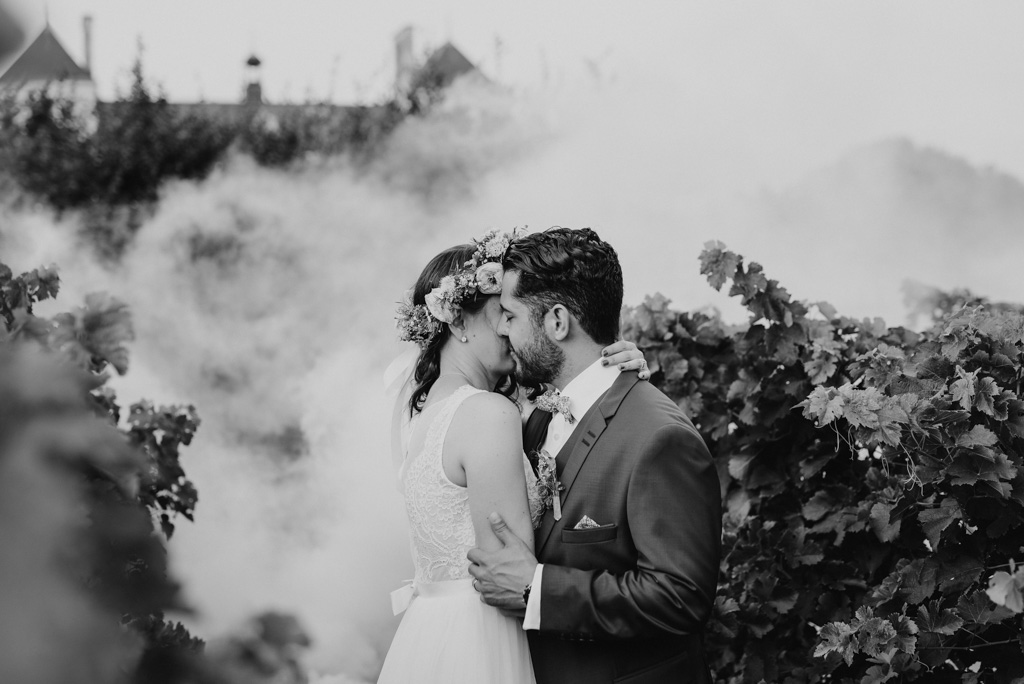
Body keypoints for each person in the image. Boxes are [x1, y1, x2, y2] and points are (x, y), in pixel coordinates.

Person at [377, 230, 649, 684]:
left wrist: (609, 377)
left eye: (511, 313)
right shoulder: (486, 414)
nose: (509, 327)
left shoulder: (423, 410)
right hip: (486, 637)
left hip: (434, 631)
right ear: (458, 323)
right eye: (499, 313)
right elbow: (514, 565)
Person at [467, 227, 722, 684]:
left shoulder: (659, 438)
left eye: (509, 314)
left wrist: (537, 589)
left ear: (558, 322)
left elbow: (680, 597)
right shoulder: (536, 417)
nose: (501, 329)